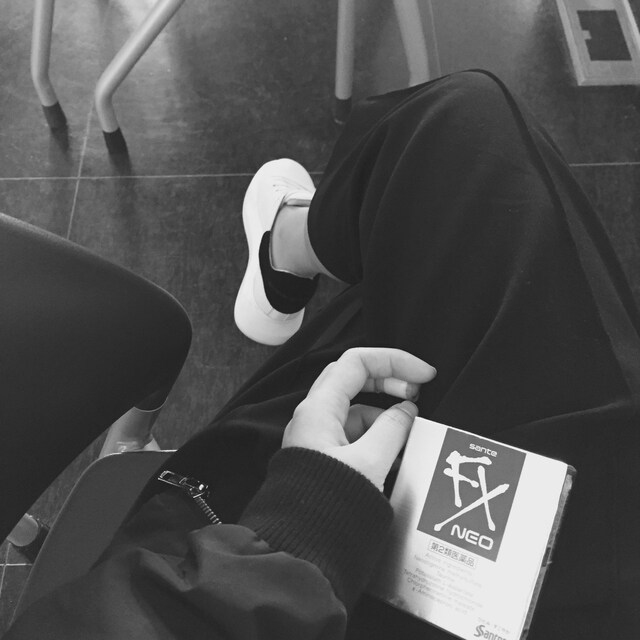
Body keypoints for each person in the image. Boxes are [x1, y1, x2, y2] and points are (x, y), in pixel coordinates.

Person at [4, 69, 640, 639]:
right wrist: (312, 513)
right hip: (270, 578)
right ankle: (293, 248)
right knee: (462, 134)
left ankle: (292, 254)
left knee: (435, 214)